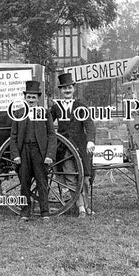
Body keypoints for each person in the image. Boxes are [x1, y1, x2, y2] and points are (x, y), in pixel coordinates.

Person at [50, 72, 96, 218]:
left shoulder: (81, 105)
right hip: (64, 149)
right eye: (64, 88)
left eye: (69, 87)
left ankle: (86, 206)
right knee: (70, 177)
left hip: (81, 147)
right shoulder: (56, 107)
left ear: (73, 89)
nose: (67, 90)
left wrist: (90, 141)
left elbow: (89, 124)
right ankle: (81, 207)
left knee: (86, 179)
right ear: (60, 90)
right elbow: (48, 124)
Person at [10, 81, 57, 221]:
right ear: (25, 97)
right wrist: (16, 155)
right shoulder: (18, 113)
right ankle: (25, 212)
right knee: (24, 182)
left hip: (39, 152)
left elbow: (51, 135)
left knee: (41, 182)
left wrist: (49, 155)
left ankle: (45, 212)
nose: (31, 100)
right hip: (24, 151)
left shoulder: (45, 113)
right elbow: (13, 137)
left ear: (38, 98)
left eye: (33, 97)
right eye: (28, 97)